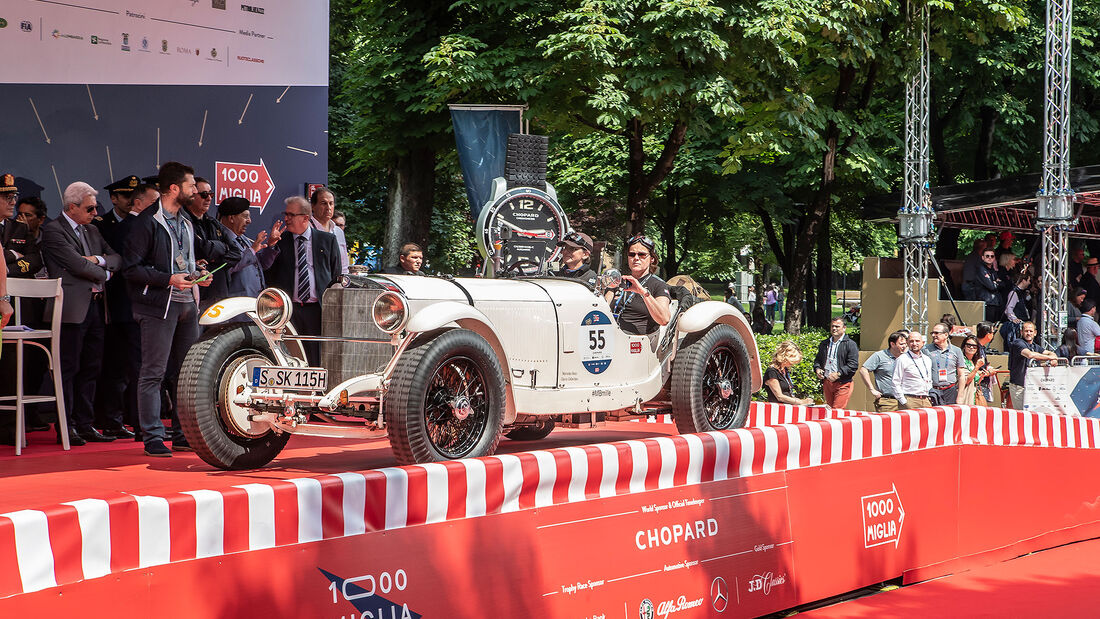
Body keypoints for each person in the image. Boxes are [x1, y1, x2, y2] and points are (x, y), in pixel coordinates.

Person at [124, 161, 214, 457]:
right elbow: (131, 270)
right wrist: (168, 279)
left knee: (185, 374)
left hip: (187, 304)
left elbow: (185, 260)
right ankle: (151, 436)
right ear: (174, 188)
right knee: (153, 372)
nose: (195, 190)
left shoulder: (186, 222)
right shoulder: (146, 222)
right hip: (157, 307)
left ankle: (182, 433)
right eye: (190, 186)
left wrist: (198, 272)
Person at [41, 181, 123, 446]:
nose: (95, 212)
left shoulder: (92, 230)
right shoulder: (53, 230)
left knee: (91, 367)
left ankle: (85, 423)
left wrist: (98, 261)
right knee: (68, 368)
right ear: (72, 207)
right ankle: (66, 426)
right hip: (69, 310)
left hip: (96, 306)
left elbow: (116, 258)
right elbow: (76, 265)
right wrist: (106, 273)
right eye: (89, 208)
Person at [263, 196, 342, 365]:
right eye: (286, 214)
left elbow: (336, 276)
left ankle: (316, 391)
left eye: (291, 215)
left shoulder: (327, 240)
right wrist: (271, 246)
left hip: (317, 309)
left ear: (305, 218)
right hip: (289, 310)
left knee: (316, 356)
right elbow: (268, 274)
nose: (286, 219)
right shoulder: (280, 241)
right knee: (289, 355)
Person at [182, 176, 240, 312]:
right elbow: (202, 248)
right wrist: (222, 248)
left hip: (219, 294)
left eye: (211, 194)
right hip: (196, 297)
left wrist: (213, 260)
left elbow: (236, 253)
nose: (208, 198)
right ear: (191, 195)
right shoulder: (183, 221)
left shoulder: (213, 223)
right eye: (204, 195)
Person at [217, 197, 282, 299]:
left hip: (254, 302)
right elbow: (228, 267)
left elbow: (262, 264)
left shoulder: (243, 239)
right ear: (231, 218)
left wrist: (271, 246)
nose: (249, 221)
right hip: (234, 304)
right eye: (245, 217)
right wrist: (252, 250)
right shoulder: (219, 240)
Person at [606, 234, 671, 336]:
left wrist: (643, 292)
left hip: (636, 343)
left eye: (641, 254)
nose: (636, 258)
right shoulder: (619, 281)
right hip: (610, 336)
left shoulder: (658, 285)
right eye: (632, 254)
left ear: (652, 259)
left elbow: (664, 319)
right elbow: (603, 308)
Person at [1006, 321, 1058, 409]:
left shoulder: (1035, 346)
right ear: (1022, 332)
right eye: (1026, 331)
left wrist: (1054, 357)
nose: (1028, 333)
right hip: (1019, 387)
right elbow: (1030, 355)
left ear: (1035, 333)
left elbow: (1050, 352)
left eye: (1030, 331)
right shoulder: (1018, 343)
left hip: (1032, 387)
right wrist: (1050, 358)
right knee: (1021, 415)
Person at [0, 173, 42, 279]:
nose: (13, 202)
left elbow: (35, 260)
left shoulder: (20, 228)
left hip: (17, 291)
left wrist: (8, 270)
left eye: (14, 197)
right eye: (8, 198)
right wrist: (14, 254)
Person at [813, 317, 859, 408]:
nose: (834, 329)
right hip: (827, 382)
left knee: (837, 411)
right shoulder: (824, 343)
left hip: (842, 382)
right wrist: (817, 369)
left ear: (844, 328)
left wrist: (838, 374)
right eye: (832, 326)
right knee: (829, 410)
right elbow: (817, 360)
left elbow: (853, 365)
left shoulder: (850, 344)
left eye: (837, 326)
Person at [859, 330, 909, 412]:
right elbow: (863, 370)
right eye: (901, 344)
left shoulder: (907, 357)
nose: (904, 346)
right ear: (892, 344)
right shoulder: (879, 356)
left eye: (905, 344)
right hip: (888, 401)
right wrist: (872, 390)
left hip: (906, 400)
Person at [923, 322, 966, 406]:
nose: (933, 335)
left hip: (950, 391)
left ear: (946, 335)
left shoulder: (956, 350)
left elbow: (961, 375)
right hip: (933, 391)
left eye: (936, 333)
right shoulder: (926, 350)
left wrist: (960, 396)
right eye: (932, 333)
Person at [310, 187, 349, 274]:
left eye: (331, 203)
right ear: (313, 206)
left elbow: (344, 264)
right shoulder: (306, 229)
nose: (328, 208)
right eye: (324, 203)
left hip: (337, 284)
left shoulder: (338, 231)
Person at [763, 340, 814, 405]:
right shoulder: (772, 371)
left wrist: (802, 400)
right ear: (783, 357)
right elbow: (779, 396)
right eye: (791, 361)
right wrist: (801, 402)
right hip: (777, 408)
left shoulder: (785, 370)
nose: (792, 364)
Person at [892, 331, 934, 409]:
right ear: (907, 343)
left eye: (917, 341)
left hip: (926, 399)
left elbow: (929, 379)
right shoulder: (902, 359)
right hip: (910, 399)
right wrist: (903, 401)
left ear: (923, 342)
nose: (914, 343)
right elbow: (895, 382)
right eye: (911, 341)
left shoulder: (927, 359)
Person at [963, 247, 1002, 321]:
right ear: (983, 258)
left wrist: (996, 283)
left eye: (992, 256)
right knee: (987, 325)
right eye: (987, 256)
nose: (990, 258)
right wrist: (996, 282)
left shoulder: (992, 270)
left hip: (994, 302)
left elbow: (1002, 284)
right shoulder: (981, 269)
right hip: (986, 302)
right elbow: (991, 287)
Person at [1001, 273, 1032, 345]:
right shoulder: (1014, 292)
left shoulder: (1024, 292)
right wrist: (1013, 318)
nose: (1029, 283)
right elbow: (1009, 308)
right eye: (1029, 280)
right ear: (1023, 280)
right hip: (1018, 324)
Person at [959, 335, 989, 406]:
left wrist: (981, 375)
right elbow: (965, 380)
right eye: (968, 345)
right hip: (965, 397)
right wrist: (977, 367)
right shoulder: (961, 360)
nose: (971, 347)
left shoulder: (972, 361)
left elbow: (975, 381)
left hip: (973, 396)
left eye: (974, 346)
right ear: (964, 346)